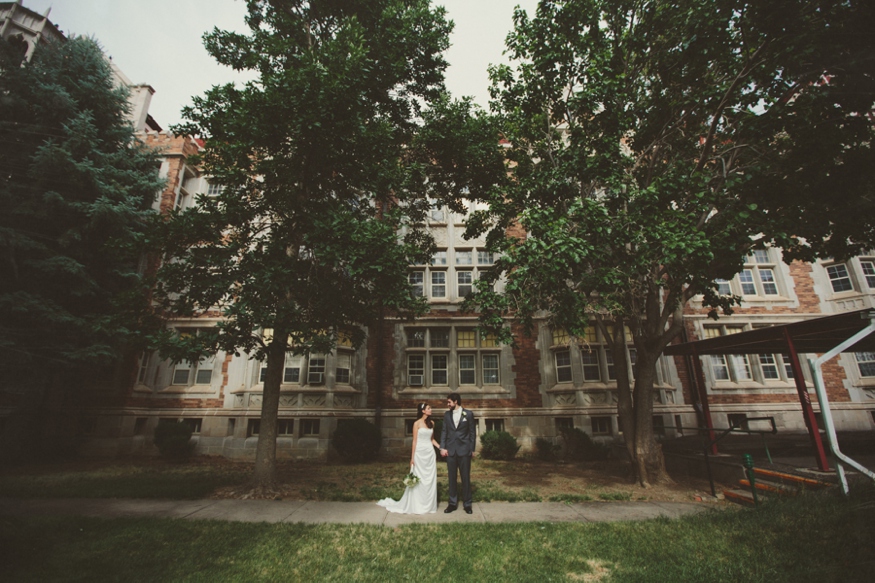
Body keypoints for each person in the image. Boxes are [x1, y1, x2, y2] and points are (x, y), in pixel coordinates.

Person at [377, 403, 440, 514]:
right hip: (419, 454)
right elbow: (414, 441)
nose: (431, 410)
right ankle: (417, 504)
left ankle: (428, 505)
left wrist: (441, 447)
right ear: (423, 411)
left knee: (429, 479)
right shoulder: (416, 424)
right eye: (429, 408)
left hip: (430, 453)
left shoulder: (432, 423)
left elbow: (432, 439)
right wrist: (412, 458)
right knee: (419, 478)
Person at [439, 393, 476, 514]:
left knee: (465, 478)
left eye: (449, 402)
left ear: (456, 402)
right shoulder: (446, 415)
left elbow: (472, 433)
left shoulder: (468, 414)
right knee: (452, 478)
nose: (447, 404)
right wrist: (442, 448)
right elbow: (444, 431)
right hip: (450, 450)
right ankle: (452, 503)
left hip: (464, 450)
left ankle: (467, 504)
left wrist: (471, 449)